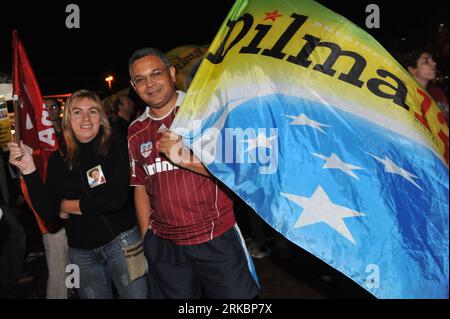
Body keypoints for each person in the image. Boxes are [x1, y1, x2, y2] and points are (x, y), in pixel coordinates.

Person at [127, 48, 259, 299]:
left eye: (156, 73)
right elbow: (141, 186)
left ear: (172, 73)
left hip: (215, 237)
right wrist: (147, 238)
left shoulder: (204, 110)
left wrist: (182, 158)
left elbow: (237, 167)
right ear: (134, 87)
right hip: (165, 245)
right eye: (140, 79)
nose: (149, 83)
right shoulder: (135, 130)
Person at [9, 90, 148, 299]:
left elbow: (115, 199)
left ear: (101, 118)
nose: (85, 118)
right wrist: (29, 170)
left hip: (122, 244)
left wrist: (66, 206)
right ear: (68, 120)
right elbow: (47, 210)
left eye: (92, 111)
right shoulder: (60, 158)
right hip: (81, 254)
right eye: (77, 112)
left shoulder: (116, 146)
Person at [402, 49, 449, 125]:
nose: (434, 63)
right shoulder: (405, 93)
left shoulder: (438, 92)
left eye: (432, 60)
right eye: (426, 61)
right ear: (412, 69)